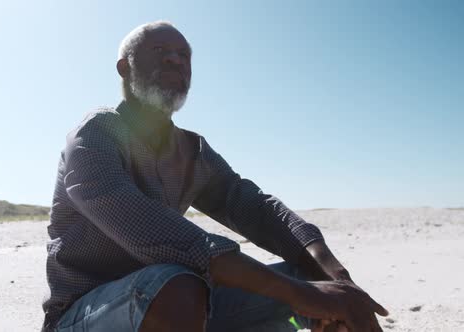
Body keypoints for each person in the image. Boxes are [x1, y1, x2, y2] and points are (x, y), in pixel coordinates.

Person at [42, 21, 388, 332]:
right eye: (160, 51)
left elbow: (257, 210)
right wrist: (301, 296)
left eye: (183, 55)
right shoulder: (97, 133)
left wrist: (339, 281)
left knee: (310, 278)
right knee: (178, 284)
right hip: (83, 315)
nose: (176, 60)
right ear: (125, 68)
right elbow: (158, 233)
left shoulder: (192, 151)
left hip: (177, 307)